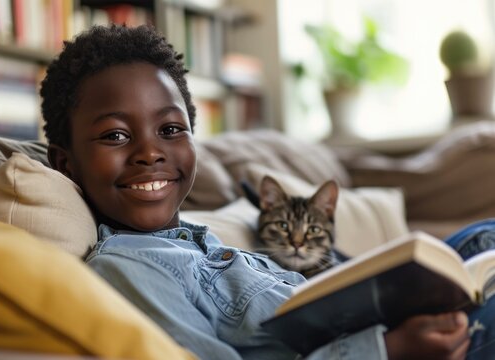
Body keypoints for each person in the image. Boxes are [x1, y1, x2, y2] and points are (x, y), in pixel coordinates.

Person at [40, 24, 493, 359]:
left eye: (171, 129)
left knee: (481, 240)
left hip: (391, 326)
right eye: (116, 136)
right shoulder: (128, 268)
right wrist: (385, 350)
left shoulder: (206, 243)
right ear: (66, 163)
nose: (149, 152)